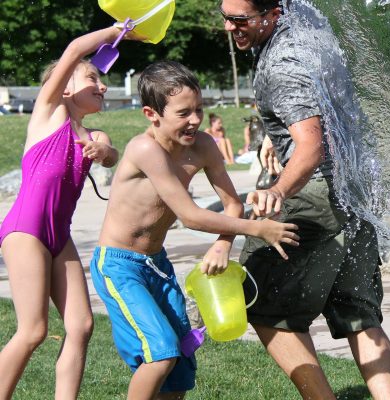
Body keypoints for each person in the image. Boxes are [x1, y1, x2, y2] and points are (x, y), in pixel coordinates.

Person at [221, 1, 390, 399]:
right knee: (358, 310)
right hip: (356, 191)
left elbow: (311, 146)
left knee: (260, 300)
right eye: (225, 16)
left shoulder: (282, 65)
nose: (230, 27)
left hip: (313, 192)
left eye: (240, 19)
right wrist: (275, 132)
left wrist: (278, 189)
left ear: (273, 12)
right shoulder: (311, 32)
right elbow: (321, 108)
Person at [89, 60, 299, 400]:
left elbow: (232, 202)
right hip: (118, 265)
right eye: (184, 113)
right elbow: (189, 215)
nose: (195, 120)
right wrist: (257, 229)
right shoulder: (145, 149)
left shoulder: (203, 146)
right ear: (151, 113)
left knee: (181, 365)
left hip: (157, 263)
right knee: (161, 352)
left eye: (199, 109)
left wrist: (223, 244)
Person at [0, 27, 126, 399]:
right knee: (33, 330)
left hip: (59, 237)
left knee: (82, 324)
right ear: (65, 87)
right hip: (27, 231)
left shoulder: (94, 135)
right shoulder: (48, 113)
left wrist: (106, 155)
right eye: (93, 79)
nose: (102, 86)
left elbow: (110, 152)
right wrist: (117, 31)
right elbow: (73, 50)